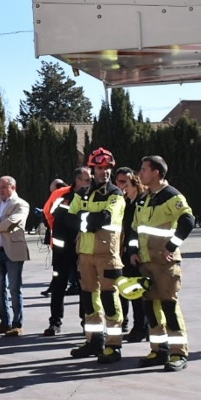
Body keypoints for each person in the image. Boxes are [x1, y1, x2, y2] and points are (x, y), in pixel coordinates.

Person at [132, 155, 196, 371]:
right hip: (146, 263)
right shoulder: (144, 198)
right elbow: (135, 228)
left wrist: (171, 246)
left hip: (165, 264)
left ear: (156, 172)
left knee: (169, 307)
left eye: (144, 169)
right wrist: (133, 250)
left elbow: (188, 220)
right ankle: (159, 349)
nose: (140, 173)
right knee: (150, 308)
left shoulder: (171, 196)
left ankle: (179, 353)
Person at [68, 148, 129, 363]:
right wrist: (87, 220)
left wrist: (84, 219)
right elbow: (68, 218)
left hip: (107, 255)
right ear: (92, 169)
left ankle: (114, 346)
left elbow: (103, 218)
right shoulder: (83, 192)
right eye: (100, 168)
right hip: (85, 255)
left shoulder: (115, 194)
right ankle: (94, 341)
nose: (105, 172)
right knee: (89, 301)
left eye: (108, 168)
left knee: (110, 300)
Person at [0, 175, 32, 336]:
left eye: (4, 187)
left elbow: (12, 223)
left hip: (14, 252)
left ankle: (17, 324)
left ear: (13, 188)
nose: (0, 190)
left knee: (14, 288)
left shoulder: (21, 204)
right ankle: (5, 322)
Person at [43, 170, 88, 335]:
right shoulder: (60, 194)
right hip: (61, 249)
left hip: (83, 248)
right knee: (58, 286)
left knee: (85, 286)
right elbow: (47, 213)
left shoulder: (91, 195)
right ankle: (55, 322)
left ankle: (86, 322)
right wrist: (56, 232)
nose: (90, 182)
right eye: (87, 179)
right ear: (77, 180)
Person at [115, 167, 149, 343]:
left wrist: (133, 251)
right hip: (127, 252)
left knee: (137, 293)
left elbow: (135, 231)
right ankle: (142, 327)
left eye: (126, 184)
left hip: (136, 254)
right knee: (130, 291)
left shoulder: (140, 203)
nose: (123, 187)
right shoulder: (128, 202)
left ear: (136, 184)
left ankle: (141, 328)